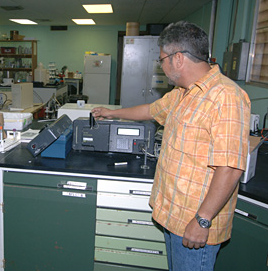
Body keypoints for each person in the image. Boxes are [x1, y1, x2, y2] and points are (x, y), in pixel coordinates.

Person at [92, 21, 250, 271]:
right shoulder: (182, 93)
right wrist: (112, 113)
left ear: (178, 59)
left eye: (162, 59)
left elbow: (230, 167)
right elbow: (150, 110)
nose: (161, 66)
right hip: (173, 217)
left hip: (195, 222)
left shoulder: (226, 97)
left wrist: (203, 220)